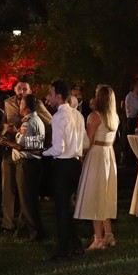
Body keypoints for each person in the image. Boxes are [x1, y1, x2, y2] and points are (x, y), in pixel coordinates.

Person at [44, 80, 86, 260]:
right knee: (68, 207)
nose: (48, 98)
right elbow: (84, 142)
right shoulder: (78, 115)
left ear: (59, 97)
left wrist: (43, 152)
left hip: (62, 164)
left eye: (50, 94)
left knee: (61, 208)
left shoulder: (58, 117)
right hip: (76, 163)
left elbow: (59, 147)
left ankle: (63, 250)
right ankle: (75, 244)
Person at [76, 84, 120, 250]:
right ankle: (109, 234)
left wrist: (79, 150)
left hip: (96, 155)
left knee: (95, 195)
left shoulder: (95, 117)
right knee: (105, 194)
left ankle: (98, 238)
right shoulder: (114, 117)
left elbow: (88, 141)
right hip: (108, 154)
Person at [0, 93, 46, 241]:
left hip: (26, 164)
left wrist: (5, 143)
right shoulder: (34, 120)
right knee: (28, 199)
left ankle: (34, 232)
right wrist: (16, 131)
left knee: (27, 201)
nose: (18, 106)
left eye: (20, 104)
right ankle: (25, 229)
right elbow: (32, 143)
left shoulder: (29, 123)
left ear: (25, 106)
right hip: (32, 164)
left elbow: (21, 146)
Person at [0, 81, 31, 234]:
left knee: (24, 189)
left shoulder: (35, 103)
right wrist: (4, 133)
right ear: (14, 89)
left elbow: (46, 121)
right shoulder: (8, 104)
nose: (22, 91)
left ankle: (24, 223)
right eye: (19, 88)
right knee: (7, 188)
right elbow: (3, 124)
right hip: (8, 149)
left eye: (25, 88)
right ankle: (8, 223)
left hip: (25, 151)